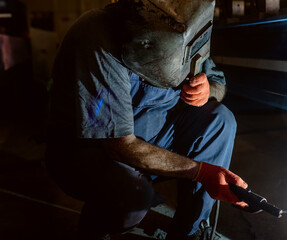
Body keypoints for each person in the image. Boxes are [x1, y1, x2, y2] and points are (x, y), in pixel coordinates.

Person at [44, 0, 248, 239]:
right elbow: (120, 146)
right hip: (91, 152)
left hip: (152, 139)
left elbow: (218, 85)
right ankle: (96, 230)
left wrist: (208, 90)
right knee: (133, 196)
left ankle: (189, 232)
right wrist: (201, 172)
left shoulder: (185, 26)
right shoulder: (99, 35)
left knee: (220, 120)